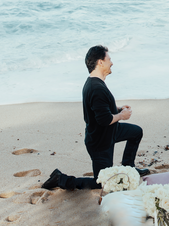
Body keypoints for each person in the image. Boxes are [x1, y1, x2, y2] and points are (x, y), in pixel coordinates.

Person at [42, 45, 149, 191]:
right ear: (100, 62)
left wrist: (117, 109)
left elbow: (100, 110)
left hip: (111, 132)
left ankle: (129, 168)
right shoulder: (96, 87)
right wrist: (121, 116)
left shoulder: (95, 83)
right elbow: (104, 120)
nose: (112, 62)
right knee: (102, 183)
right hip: (100, 142)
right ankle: (61, 179)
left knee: (136, 132)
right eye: (109, 59)